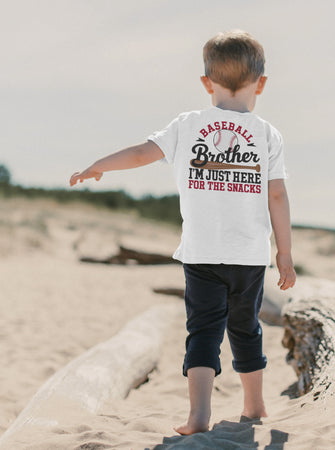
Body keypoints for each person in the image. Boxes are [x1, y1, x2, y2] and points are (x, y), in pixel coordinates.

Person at [70, 30, 296, 435]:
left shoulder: (188, 125)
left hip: (202, 254)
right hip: (248, 257)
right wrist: (284, 253)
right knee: (246, 328)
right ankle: (256, 405)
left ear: (207, 83)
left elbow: (142, 153)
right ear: (261, 83)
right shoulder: (267, 134)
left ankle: (198, 415)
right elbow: (276, 196)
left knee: (204, 330)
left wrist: (98, 165)